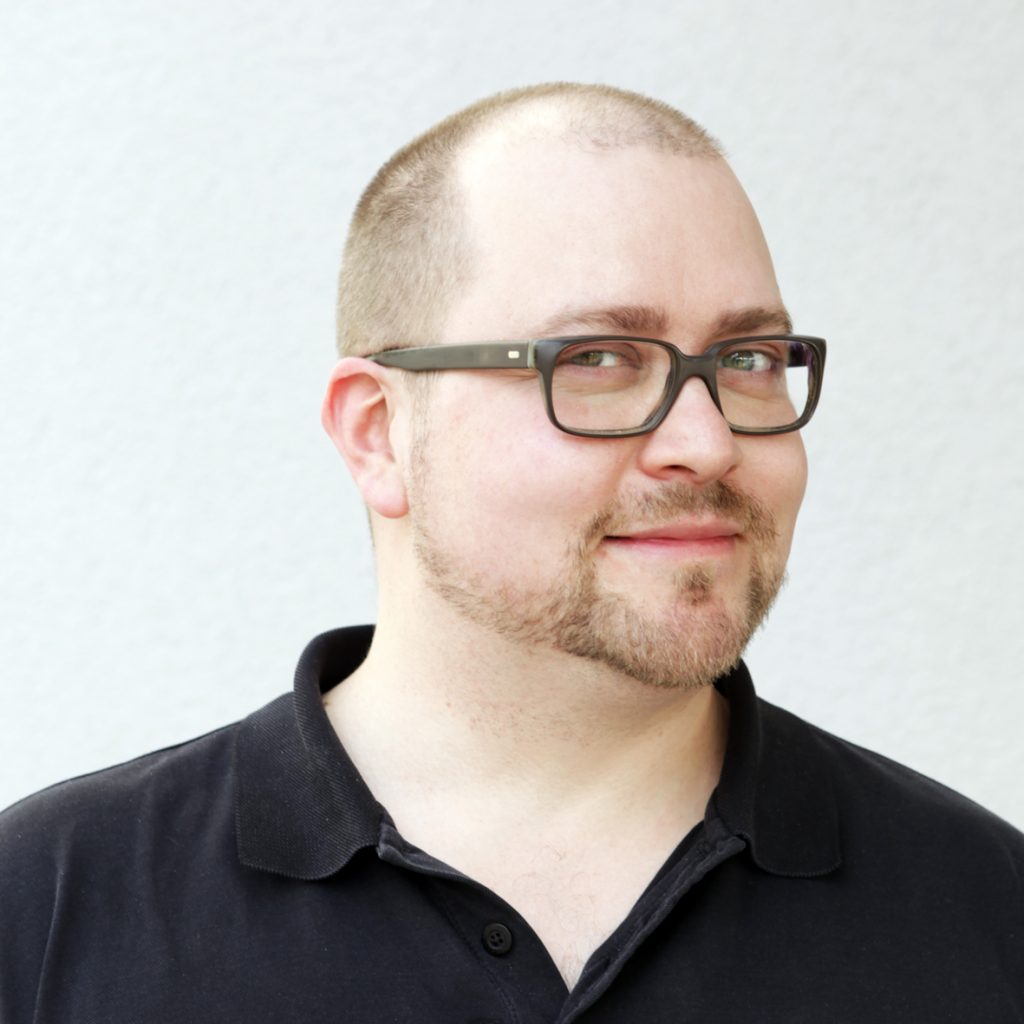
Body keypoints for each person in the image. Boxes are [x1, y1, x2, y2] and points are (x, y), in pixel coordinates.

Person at [2, 83, 1021, 1023]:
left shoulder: (988, 910)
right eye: (599, 358)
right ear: (378, 433)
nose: (708, 442)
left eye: (748, 358)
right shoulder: (47, 910)